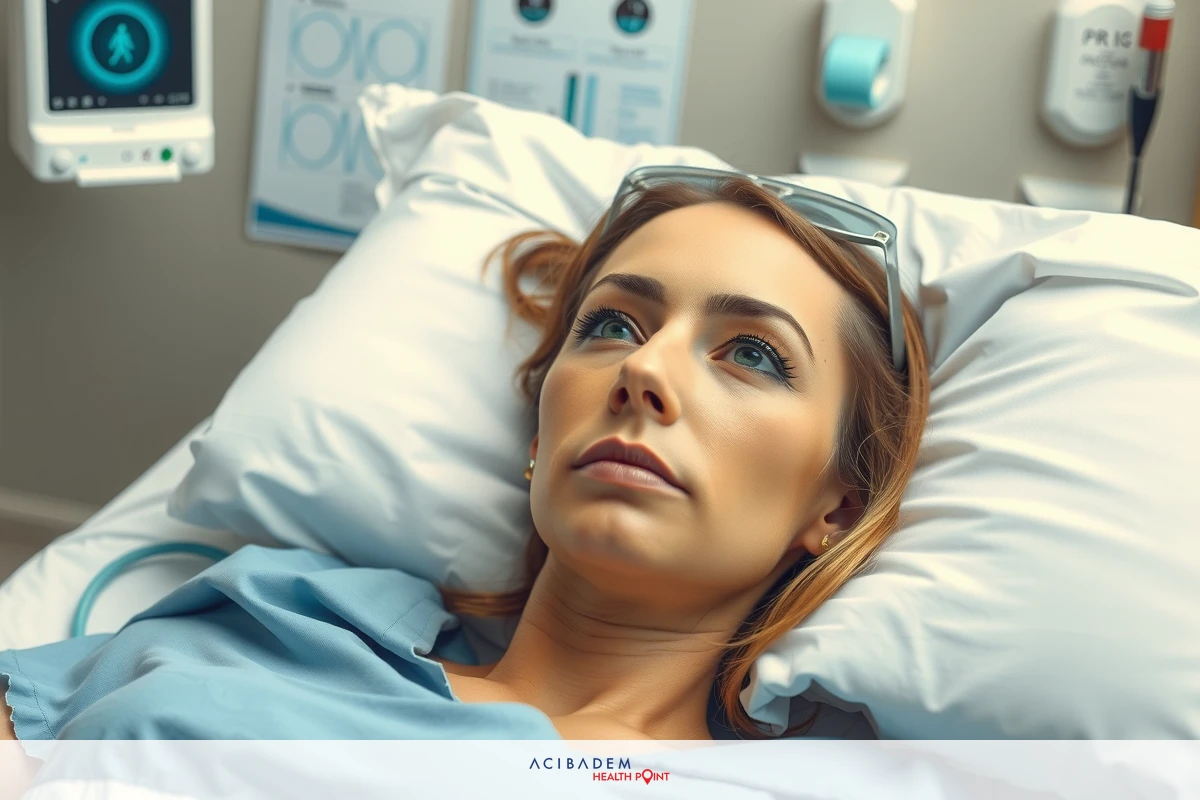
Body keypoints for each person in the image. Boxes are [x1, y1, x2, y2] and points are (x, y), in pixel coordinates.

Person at [1, 172, 929, 748]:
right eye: (612, 325)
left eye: (754, 354)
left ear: (839, 509)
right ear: (540, 438)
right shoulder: (288, 615)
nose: (644, 367)